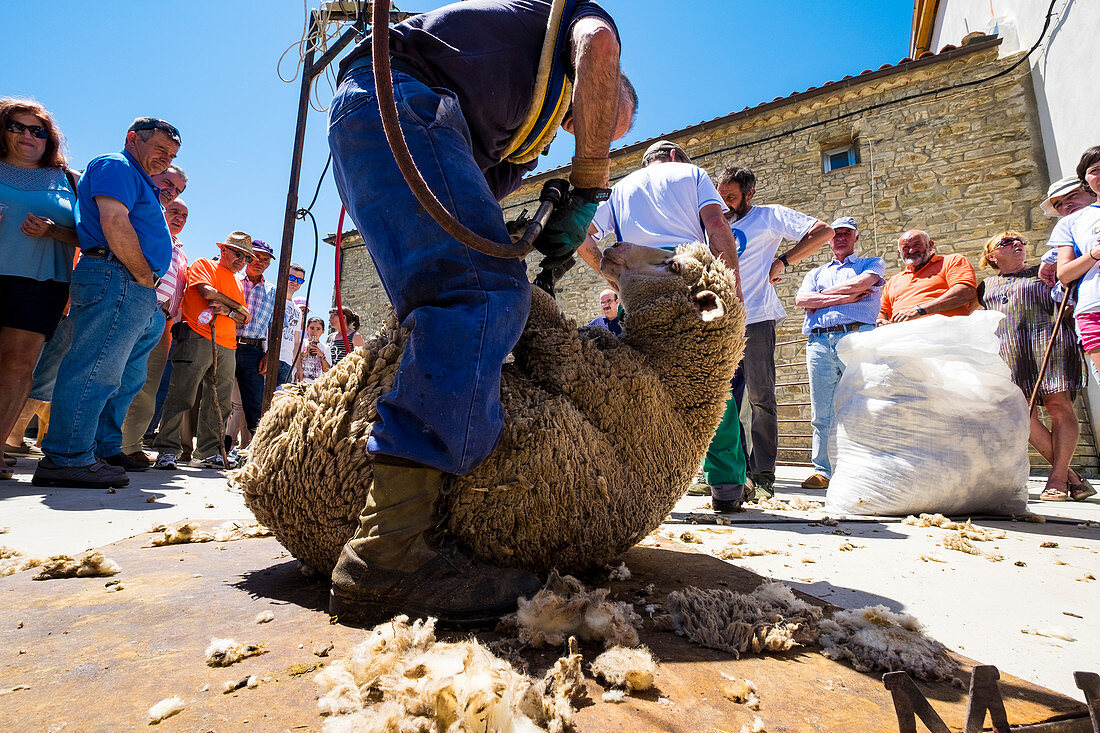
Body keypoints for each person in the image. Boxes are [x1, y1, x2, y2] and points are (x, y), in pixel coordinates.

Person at [327, 0, 635, 625]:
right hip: (405, 101)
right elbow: (599, 45)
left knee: (464, 290)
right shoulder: (565, 26)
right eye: (596, 118)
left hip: (375, 114)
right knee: (481, 294)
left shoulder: (510, 123)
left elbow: (471, 199)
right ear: (602, 88)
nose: (582, 131)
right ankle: (386, 554)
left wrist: (538, 236)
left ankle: (402, 525)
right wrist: (590, 178)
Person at [579, 139, 745, 510]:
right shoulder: (692, 173)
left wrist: (616, 282)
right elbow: (717, 225)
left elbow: (582, 235)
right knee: (714, 376)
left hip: (639, 286)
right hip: (694, 280)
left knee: (642, 376)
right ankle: (726, 486)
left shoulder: (619, 189)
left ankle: (643, 482)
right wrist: (731, 287)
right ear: (673, 157)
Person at [32, 117, 180, 489]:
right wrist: (144, 276)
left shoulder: (137, 177)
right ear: (133, 138)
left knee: (123, 378)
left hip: (134, 285)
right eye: (160, 149)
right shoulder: (116, 164)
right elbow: (114, 222)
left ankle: (99, 449)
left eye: (172, 154)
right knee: (95, 369)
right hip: (121, 277)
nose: (165, 158)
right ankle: (66, 457)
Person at [714, 164, 833, 499]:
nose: (725, 203)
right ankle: (731, 472)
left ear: (749, 194)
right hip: (722, 321)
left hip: (756, 318)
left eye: (732, 197)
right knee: (724, 399)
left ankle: (762, 473)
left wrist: (783, 260)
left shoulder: (769, 216)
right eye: (720, 196)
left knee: (761, 397)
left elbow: (822, 231)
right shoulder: (715, 223)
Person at [978, 230, 1090, 502]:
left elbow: (1068, 302)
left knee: (1058, 407)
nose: (1017, 244)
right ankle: (1072, 478)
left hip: (1048, 343)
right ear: (991, 256)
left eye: (1020, 241)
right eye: (1006, 242)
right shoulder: (985, 286)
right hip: (1011, 351)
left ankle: (1058, 478)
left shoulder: (1045, 273)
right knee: (1021, 414)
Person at [0, 100, 79, 480]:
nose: (28, 135)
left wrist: (53, 231)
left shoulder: (70, 180)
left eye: (38, 130)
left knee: (18, 366)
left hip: (41, 283)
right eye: (17, 126)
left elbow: (91, 235)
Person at [794, 217, 884, 490]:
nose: (840, 238)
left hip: (856, 336)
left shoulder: (872, 263)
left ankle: (865, 467)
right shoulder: (816, 273)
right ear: (828, 239)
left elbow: (861, 284)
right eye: (836, 234)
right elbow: (801, 300)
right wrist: (844, 298)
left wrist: (821, 297)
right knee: (822, 410)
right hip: (819, 341)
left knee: (863, 403)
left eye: (847, 233)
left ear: (856, 237)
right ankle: (823, 470)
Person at [153, 231, 253, 471]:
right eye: (238, 253)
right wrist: (234, 307)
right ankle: (168, 450)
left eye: (246, 258)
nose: (242, 260)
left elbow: (245, 317)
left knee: (219, 402)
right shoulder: (204, 265)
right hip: (197, 336)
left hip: (227, 345)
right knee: (182, 395)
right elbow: (207, 293)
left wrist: (227, 309)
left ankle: (208, 452)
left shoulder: (238, 283)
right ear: (224, 250)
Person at [118, 196, 190, 466]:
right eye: (174, 211)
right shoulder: (146, 232)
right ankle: (101, 443)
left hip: (163, 320)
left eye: (184, 215)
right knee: (117, 376)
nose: (179, 218)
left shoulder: (181, 253)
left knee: (147, 385)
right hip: (135, 305)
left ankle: (130, 445)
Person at [878, 230, 977, 325]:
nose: (911, 251)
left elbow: (966, 292)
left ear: (930, 245)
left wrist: (920, 310)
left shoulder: (952, 261)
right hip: (902, 336)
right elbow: (882, 311)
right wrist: (879, 321)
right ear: (899, 252)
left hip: (944, 331)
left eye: (917, 245)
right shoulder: (894, 280)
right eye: (905, 247)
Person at [233, 239, 278, 439]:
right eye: (257, 256)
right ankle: (215, 450)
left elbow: (274, 327)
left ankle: (256, 450)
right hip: (228, 344)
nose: (260, 262)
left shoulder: (273, 291)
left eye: (265, 259)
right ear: (248, 256)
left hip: (254, 351)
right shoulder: (233, 280)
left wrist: (269, 354)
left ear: (269, 264)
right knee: (219, 397)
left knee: (255, 403)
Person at [278, 264, 306, 385]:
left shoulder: (298, 311)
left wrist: (298, 367)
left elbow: (295, 341)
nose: (295, 282)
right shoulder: (274, 298)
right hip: (269, 358)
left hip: (287, 362)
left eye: (299, 280)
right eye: (291, 277)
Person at [296, 317, 330, 383]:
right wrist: (304, 353)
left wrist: (321, 355)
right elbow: (294, 361)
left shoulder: (326, 348)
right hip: (299, 382)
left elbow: (327, 370)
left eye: (318, 329)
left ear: (323, 331)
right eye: (312, 328)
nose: (314, 332)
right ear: (307, 329)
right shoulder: (300, 343)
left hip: (316, 385)